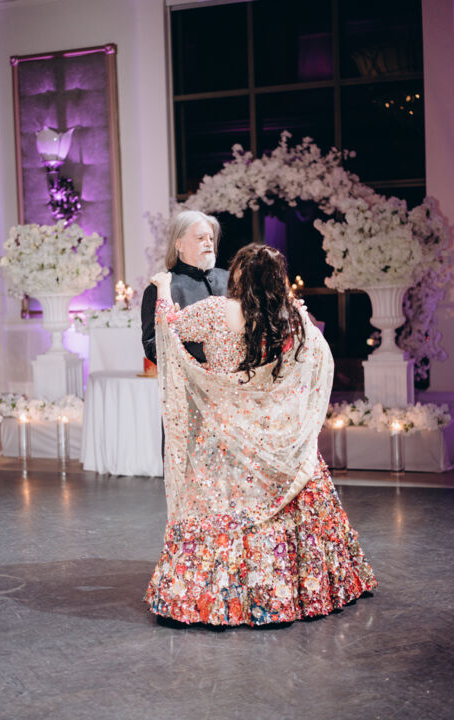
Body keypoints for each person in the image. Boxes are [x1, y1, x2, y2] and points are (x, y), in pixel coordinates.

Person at [145, 243, 377, 627]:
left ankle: (208, 598)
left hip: (224, 435)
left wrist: (163, 287)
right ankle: (298, 590)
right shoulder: (293, 318)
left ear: (237, 275)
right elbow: (317, 361)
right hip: (277, 437)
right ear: (276, 281)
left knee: (220, 511)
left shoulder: (215, 311)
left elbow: (168, 326)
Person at [141, 210, 228, 365]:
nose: (209, 243)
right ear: (179, 245)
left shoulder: (231, 279)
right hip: (188, 379)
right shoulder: (160, 289)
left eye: (211, 238)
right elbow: (153, 347)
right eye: (200, 238)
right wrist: (194, 368)